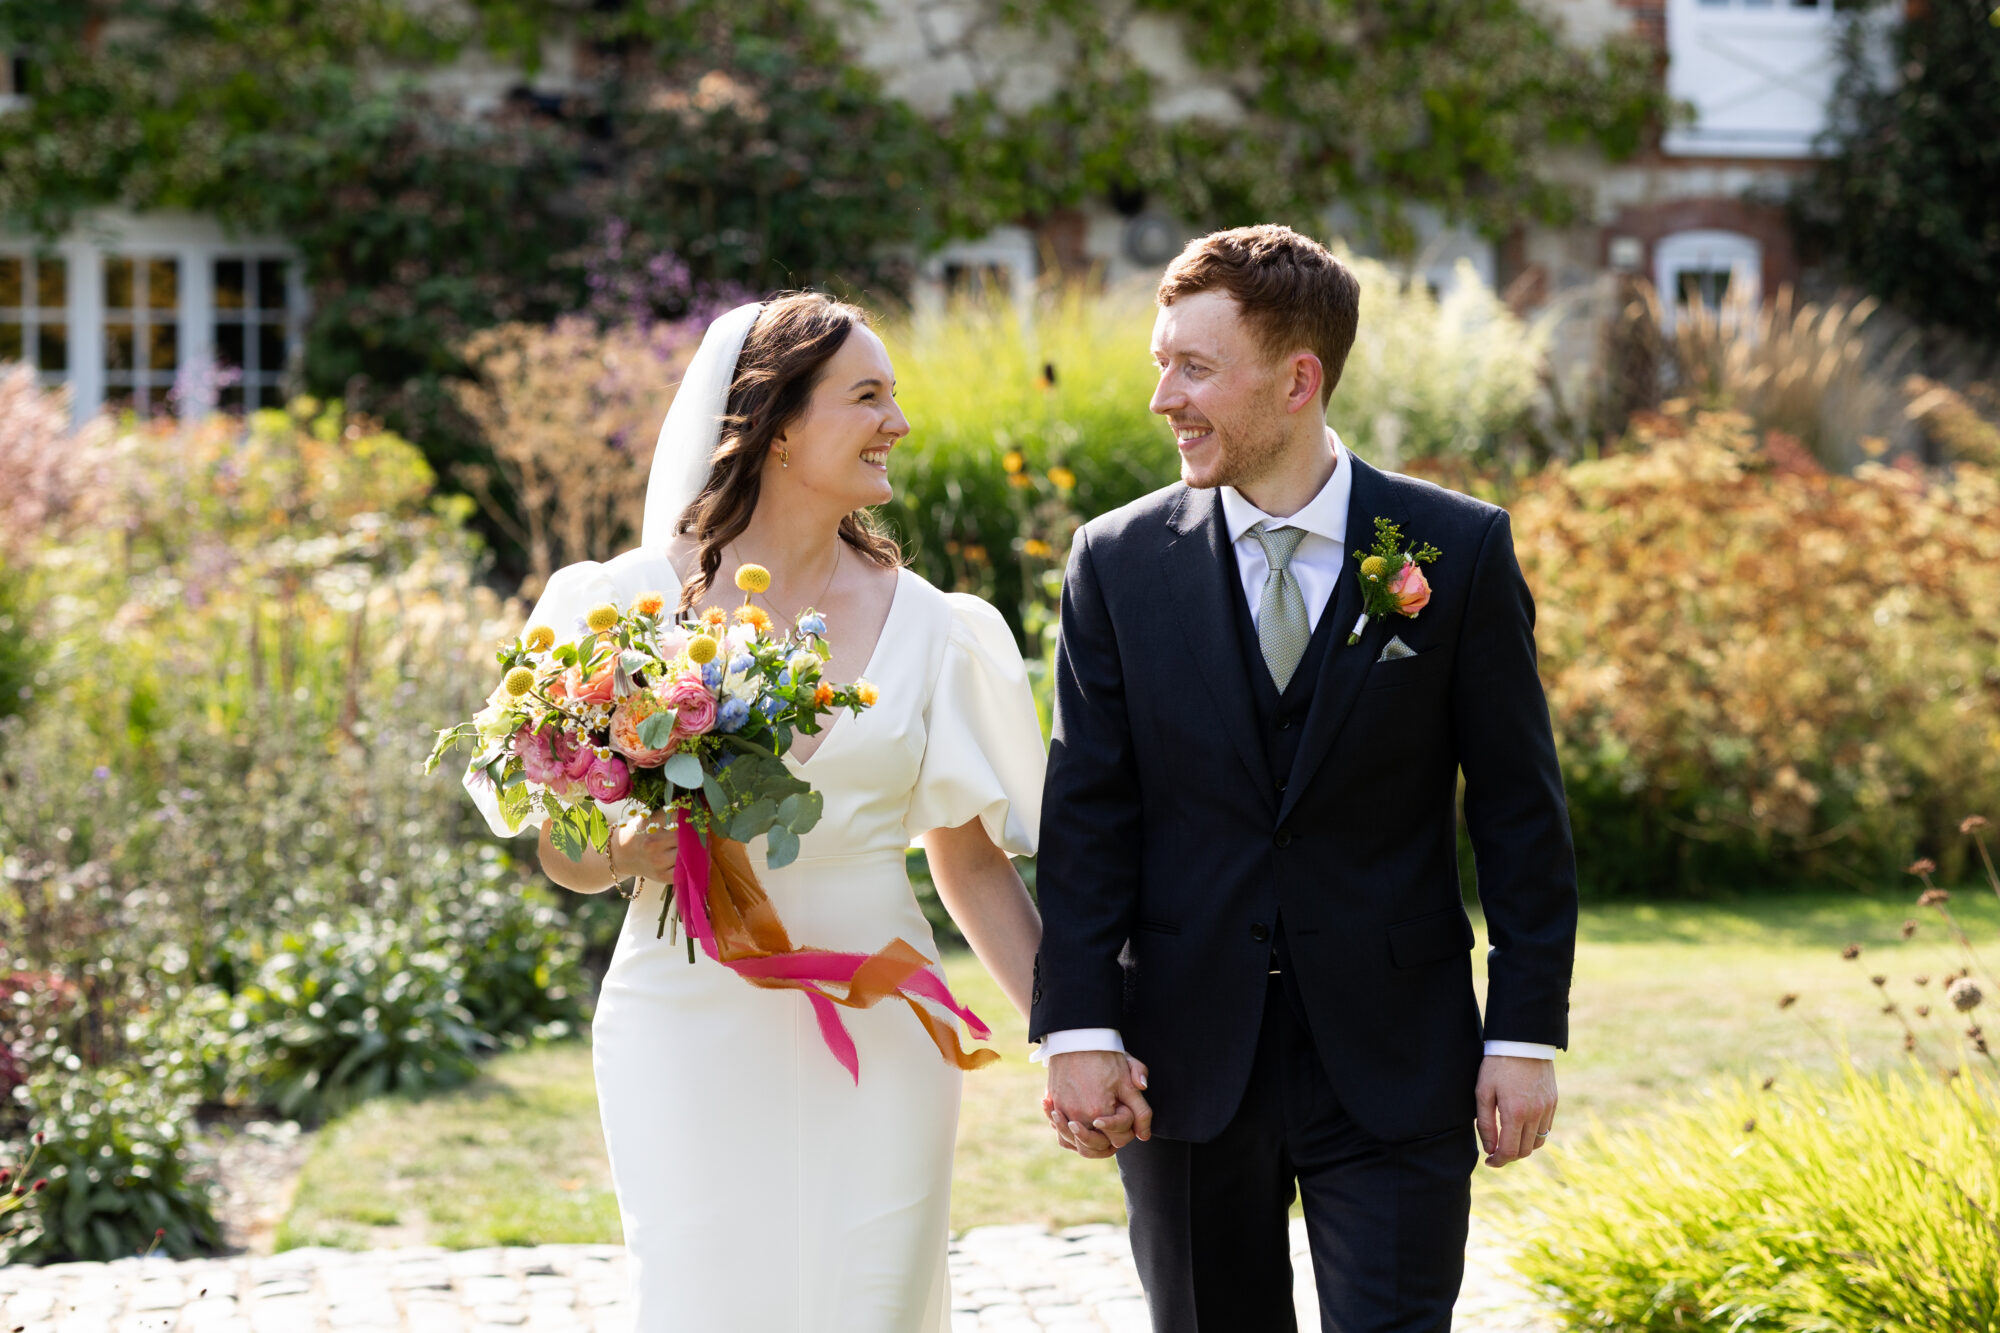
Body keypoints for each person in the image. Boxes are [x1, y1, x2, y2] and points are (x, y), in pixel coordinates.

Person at [465, 293, 1139, 1332]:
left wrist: (1068, 1036)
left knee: (871, 1304)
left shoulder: (936, 628)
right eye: (866, 397)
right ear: (777, 424)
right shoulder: (622, 605)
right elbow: (567, 849)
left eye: (893, 398)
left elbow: (966, 865)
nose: (897, 425)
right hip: (683, 1022)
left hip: (880, 1029)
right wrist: (630, 847)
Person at [1031, 225, 1579, 1333]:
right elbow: (1088, 813)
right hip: (1185, 1059)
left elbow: (1521, 816)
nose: (1161, 399)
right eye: (1159, 363)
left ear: (1296, 378)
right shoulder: (1116, 561)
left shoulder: (1452, 549)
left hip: (1395, 1051)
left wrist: (1521, 1039)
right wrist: (1079, 1027)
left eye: (1191, 367)